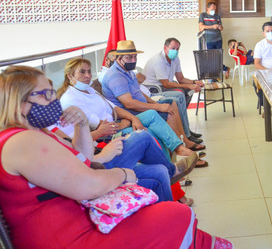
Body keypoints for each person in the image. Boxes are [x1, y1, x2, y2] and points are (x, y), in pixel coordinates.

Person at [0, 65, 232, 249]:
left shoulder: (30, 135)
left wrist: (81, 123)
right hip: (68, 236)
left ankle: (172, 173)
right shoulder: (22, 142)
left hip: (80, 219)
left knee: (167, 195)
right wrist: (123, 174)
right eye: (47, 94)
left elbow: (82, 157)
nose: (54, 99)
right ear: (20, 103)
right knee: (176, 215)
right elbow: (88, 185)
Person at [56, 58, 206, 166]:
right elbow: (103, 127)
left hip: (119, 123)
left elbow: (114, 108)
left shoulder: (90, 90)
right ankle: (170, 168)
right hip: (107, 135)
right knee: (150, 133)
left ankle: (179, 149)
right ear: (70, 76)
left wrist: (132, 119)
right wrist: (126, 122)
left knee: (153, 115)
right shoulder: (71, 99)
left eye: (89, 71)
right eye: (82, 72)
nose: (87, 75)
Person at [101, 41, 208, 162]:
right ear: (119, 58)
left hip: (138, 108)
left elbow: (138, 92)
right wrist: (157, 107)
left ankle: (184, 142)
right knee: (165, 112)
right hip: (130, 114)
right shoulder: (116, 76)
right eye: (129, 57)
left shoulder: (127, 71)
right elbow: (129, 103)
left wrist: (154, 103)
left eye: (135, 56)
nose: (133, 60)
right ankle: (180, 149)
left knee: (170, 104)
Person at [143, 37, 204, 142]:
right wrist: (188, 86)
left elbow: (180, 79)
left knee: (189, 92)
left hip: (164, 86)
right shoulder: (158, 60)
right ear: (165, 48)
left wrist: (194, 82)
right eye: (173, 48)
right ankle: (186, 134)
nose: (175, 51)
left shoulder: (175, 59)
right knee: (180, 94)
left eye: (177, 49)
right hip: (155, 89)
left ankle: (185, 128)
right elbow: (166, 84)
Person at [198, 1, 229, 78]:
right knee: (211, 58)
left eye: (214, 9)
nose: (213, 11)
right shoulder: (203, 15)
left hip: (218, 39)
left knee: (218, 57)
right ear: (207, 8)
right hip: (208, 40)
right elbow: (201, 27)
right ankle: (223, 69)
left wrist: (219, 27)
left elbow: (221, 28)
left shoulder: (217, 16)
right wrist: (212, 27)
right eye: (212, 9)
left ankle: (218, 74)